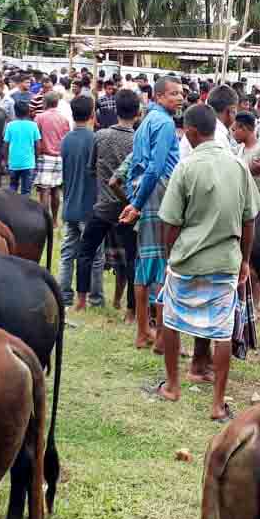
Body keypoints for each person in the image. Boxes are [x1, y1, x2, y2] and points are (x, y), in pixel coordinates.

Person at [149, 104, 260, 422]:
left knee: (171, 321)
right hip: (226, 260)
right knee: (222, 331)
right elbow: (250, 219)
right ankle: (216, 405)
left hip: (186, 259)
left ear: (192, 132)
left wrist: (169, 254)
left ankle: (172, 386)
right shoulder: (238, 166)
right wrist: (244, 259)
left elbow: (170, 222)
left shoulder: (185, 167)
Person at [121, 77, 185, 349]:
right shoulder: (166, 123)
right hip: (160, 191)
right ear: (158, 97)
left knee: (144, 262)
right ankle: (159, 336)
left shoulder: (146, 121)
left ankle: (142, 331)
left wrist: (135, 198)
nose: (180, 98)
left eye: (181, 93)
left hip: (146, 191)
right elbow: (156, 167)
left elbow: (137, 164)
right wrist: (137, 203)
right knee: (160, 263)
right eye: (173, 94)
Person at [76, 88, 140, 312]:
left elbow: (91, 168)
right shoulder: (139, 141)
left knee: (85, 251)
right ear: (138, 112)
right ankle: (131, 311)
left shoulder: (100, 136)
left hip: (103, 206)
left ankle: (81, 301)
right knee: (132, 259)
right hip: (129, 209)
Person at [58, 95, 99, 310]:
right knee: (94, 256)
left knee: (67, 255)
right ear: (92, 114)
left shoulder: (66, 140)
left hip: (70, 205)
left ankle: (64, 295)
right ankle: (95, 297)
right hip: (90, 207)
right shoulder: (95, 140)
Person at [35, 91, 71, 229]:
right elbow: (67, 138)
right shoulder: (63, 119)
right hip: (59, 157)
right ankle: (55, 221)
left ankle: (44, 221)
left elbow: (36, 139)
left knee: (44, 190)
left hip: (45, 156)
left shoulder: (40, 117)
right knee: (55, 190)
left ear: (45, 103)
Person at [3, 99, 40, 196]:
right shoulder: (33, 125)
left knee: (12, 189)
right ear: (28, 112)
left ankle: (12, 209)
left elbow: (6, 145)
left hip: (13, 163)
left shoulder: (10, 125)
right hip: (29, 163)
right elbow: (37, 145)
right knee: (26, 191)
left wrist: (6, 161)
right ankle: (24, 210)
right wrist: (36, 159)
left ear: (15, 112)